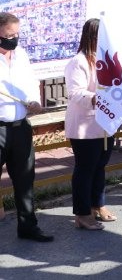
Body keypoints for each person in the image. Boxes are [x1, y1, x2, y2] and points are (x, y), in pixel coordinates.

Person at [0, 12, 53, 242]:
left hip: (21, 126)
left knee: (24, 179)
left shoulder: (20, 54)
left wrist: (35, 101)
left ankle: (28, 227)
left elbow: (31, 81)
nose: (15, 39)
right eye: (9, 35)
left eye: (17, 34)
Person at [64, 18, 115, 230]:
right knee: (85, 169)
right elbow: (75, 93)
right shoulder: (79, 62)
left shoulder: (108, 59)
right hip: (85, 126)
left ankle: (98, 204)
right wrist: (98, 98)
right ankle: (82, 214)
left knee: (100, 166)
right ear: (92, 37)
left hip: (105, 123)